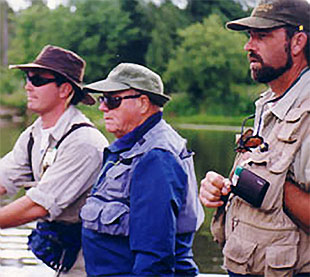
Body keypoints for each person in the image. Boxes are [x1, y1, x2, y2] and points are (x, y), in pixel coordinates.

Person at [199, 0, 310, 276]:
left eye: (262, 36)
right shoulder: (267, 104)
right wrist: (224, 188)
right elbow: (261, 181)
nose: (248, 47)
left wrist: (260, 183)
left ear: (297, 42)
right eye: (250, 37)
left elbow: (270, 185)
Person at [80, 63, 204, 276]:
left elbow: (155, 258)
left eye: (112, 100)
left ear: (143, 103)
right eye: (103, 99)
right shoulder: (133, 149)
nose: (102, 107)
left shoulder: (155, 157)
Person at [0, 45, 109, 276]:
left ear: (65, 90)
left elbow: (37, 206)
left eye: (38, 79)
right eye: (28, 78)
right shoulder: (34, 134)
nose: (28, 86)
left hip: (95, 262)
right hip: (68, 257)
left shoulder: (84, 143)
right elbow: (3, 179)